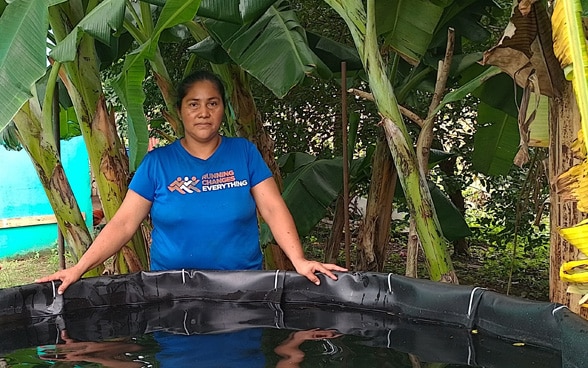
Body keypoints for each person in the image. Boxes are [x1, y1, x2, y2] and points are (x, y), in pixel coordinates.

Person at [37, 70, 346, 294]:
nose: (203, 113)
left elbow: (273, 208)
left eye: (212, 103)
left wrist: (299, 260)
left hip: (243, 290)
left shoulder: (244, 153)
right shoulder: (157, 164)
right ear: (180, 111)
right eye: (193, 104)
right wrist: (79, 269)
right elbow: (123, 224)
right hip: (172, 293)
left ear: (223, 109)